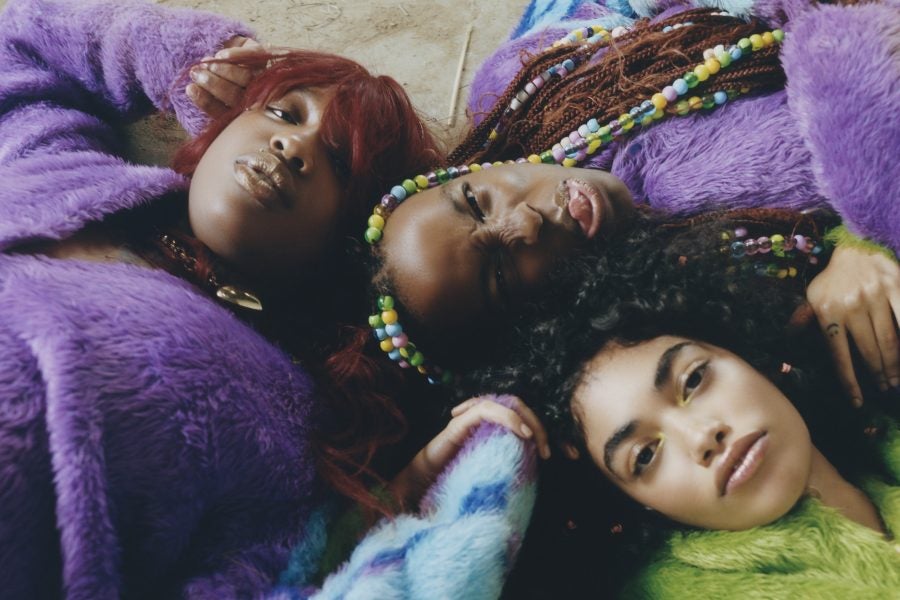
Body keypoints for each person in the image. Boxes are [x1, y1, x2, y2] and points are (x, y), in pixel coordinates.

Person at [0, 0, 480, 596]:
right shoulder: (61, 169)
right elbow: (19, 38)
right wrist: (184, 61)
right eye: (284, 112)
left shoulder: (286, 425)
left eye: (338, 163)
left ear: (346, 246)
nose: (293, 146)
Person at [353, 0, 899, 407]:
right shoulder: (715, 310)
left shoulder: (533, 83)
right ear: (532, 326)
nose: (523, 222)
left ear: (470, 170)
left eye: (477, 202)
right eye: (499, 272)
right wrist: (859, 240)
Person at [461, 206, 900, 597]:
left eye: (693, 380)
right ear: (639, 504)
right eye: (645, 456)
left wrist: (866, 240)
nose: (703, 437)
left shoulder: (879, 436)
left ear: (744, 354)